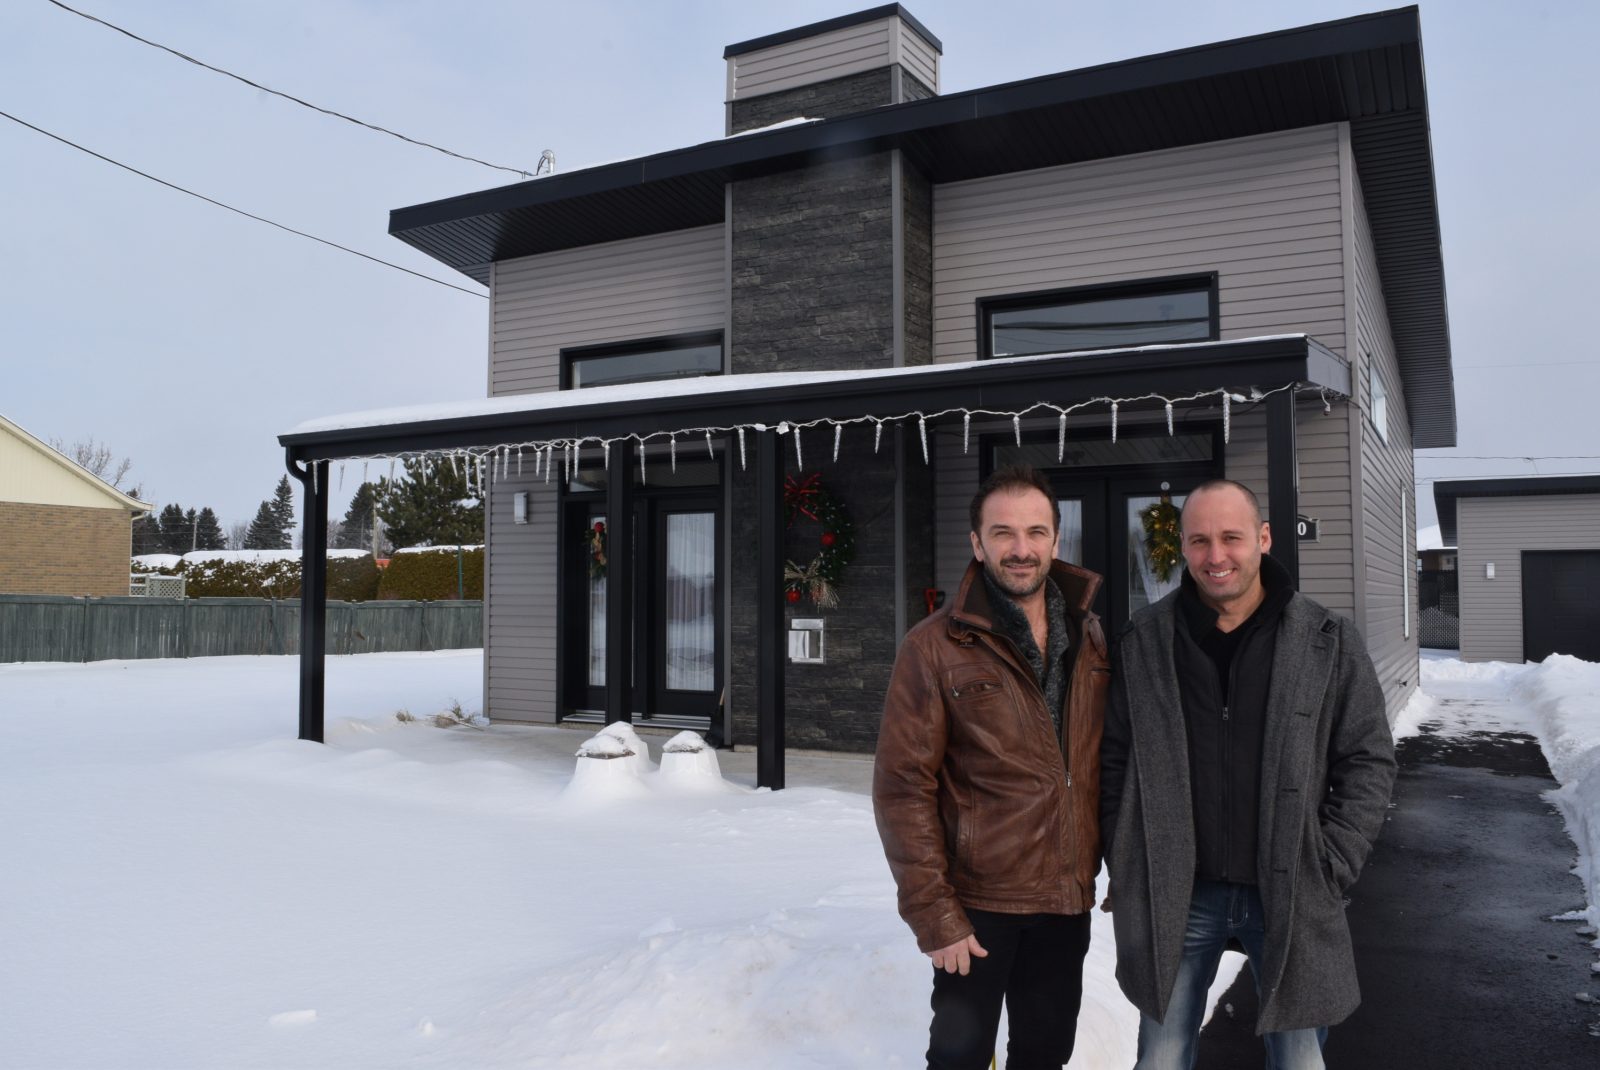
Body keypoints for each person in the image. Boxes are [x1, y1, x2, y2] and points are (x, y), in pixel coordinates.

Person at [1100, 479, 1397, 1069]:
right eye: (1200, 540)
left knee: (1300, 1060)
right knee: (1160, 1057)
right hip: (1180, 894)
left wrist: (1332, 860)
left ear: (1262, 538)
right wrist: (1126, 852)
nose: (1216, 556)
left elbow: (1368, 759)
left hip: (1289, 887)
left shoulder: (1327, 641)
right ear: (1182, 548)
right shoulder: (1146, 641)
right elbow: (1113, 758)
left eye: (1231, 538)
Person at [874, 465, 1111, 1070]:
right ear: (977, 544)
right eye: (1002, 533)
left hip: (1063, 902)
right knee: (959, 1059)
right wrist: (935, 914)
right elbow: (903, 788)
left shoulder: (1091, 637)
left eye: (1036, 531)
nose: (1021, 548)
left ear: (1057, 540)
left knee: (1045, 1055)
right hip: (977, 909)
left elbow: (1103, 763)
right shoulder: (933, 647)